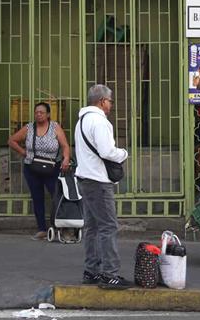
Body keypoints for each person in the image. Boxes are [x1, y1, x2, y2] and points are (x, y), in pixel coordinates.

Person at [75, 84, 130, 289]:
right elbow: (107, 151)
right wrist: (123, 153)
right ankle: (110, 274)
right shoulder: (99, 121)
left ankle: (91, 271)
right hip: (98, 182)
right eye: (110, 101)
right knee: (108, 227)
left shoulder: (82, 120)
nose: (111, 105)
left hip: (85, 179)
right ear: (102, 101)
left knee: (92, 228)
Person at [7, 102, 72, 240]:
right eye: (36, 112)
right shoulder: (29, 128)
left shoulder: (55, 127)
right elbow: (12, 141)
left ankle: (62, 228)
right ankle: (41, 229)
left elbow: (65, 146)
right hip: (32, 168)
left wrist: (66, 158)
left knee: (57, 197)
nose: (38, 114)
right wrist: (24, 152)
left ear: (48, 114)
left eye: (42, 112)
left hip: (52, 168)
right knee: (37, 198)